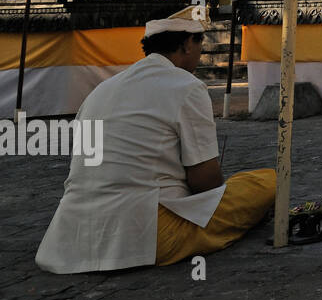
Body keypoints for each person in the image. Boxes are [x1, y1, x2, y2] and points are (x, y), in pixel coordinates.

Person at [36, 15, 275, 274]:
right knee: (267, 182)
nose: (199, 52)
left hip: (73, 235)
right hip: (147, 232)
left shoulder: (100, 91)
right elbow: (204, 181)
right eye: (199, 45)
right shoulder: (187, 86)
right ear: (186, 45)